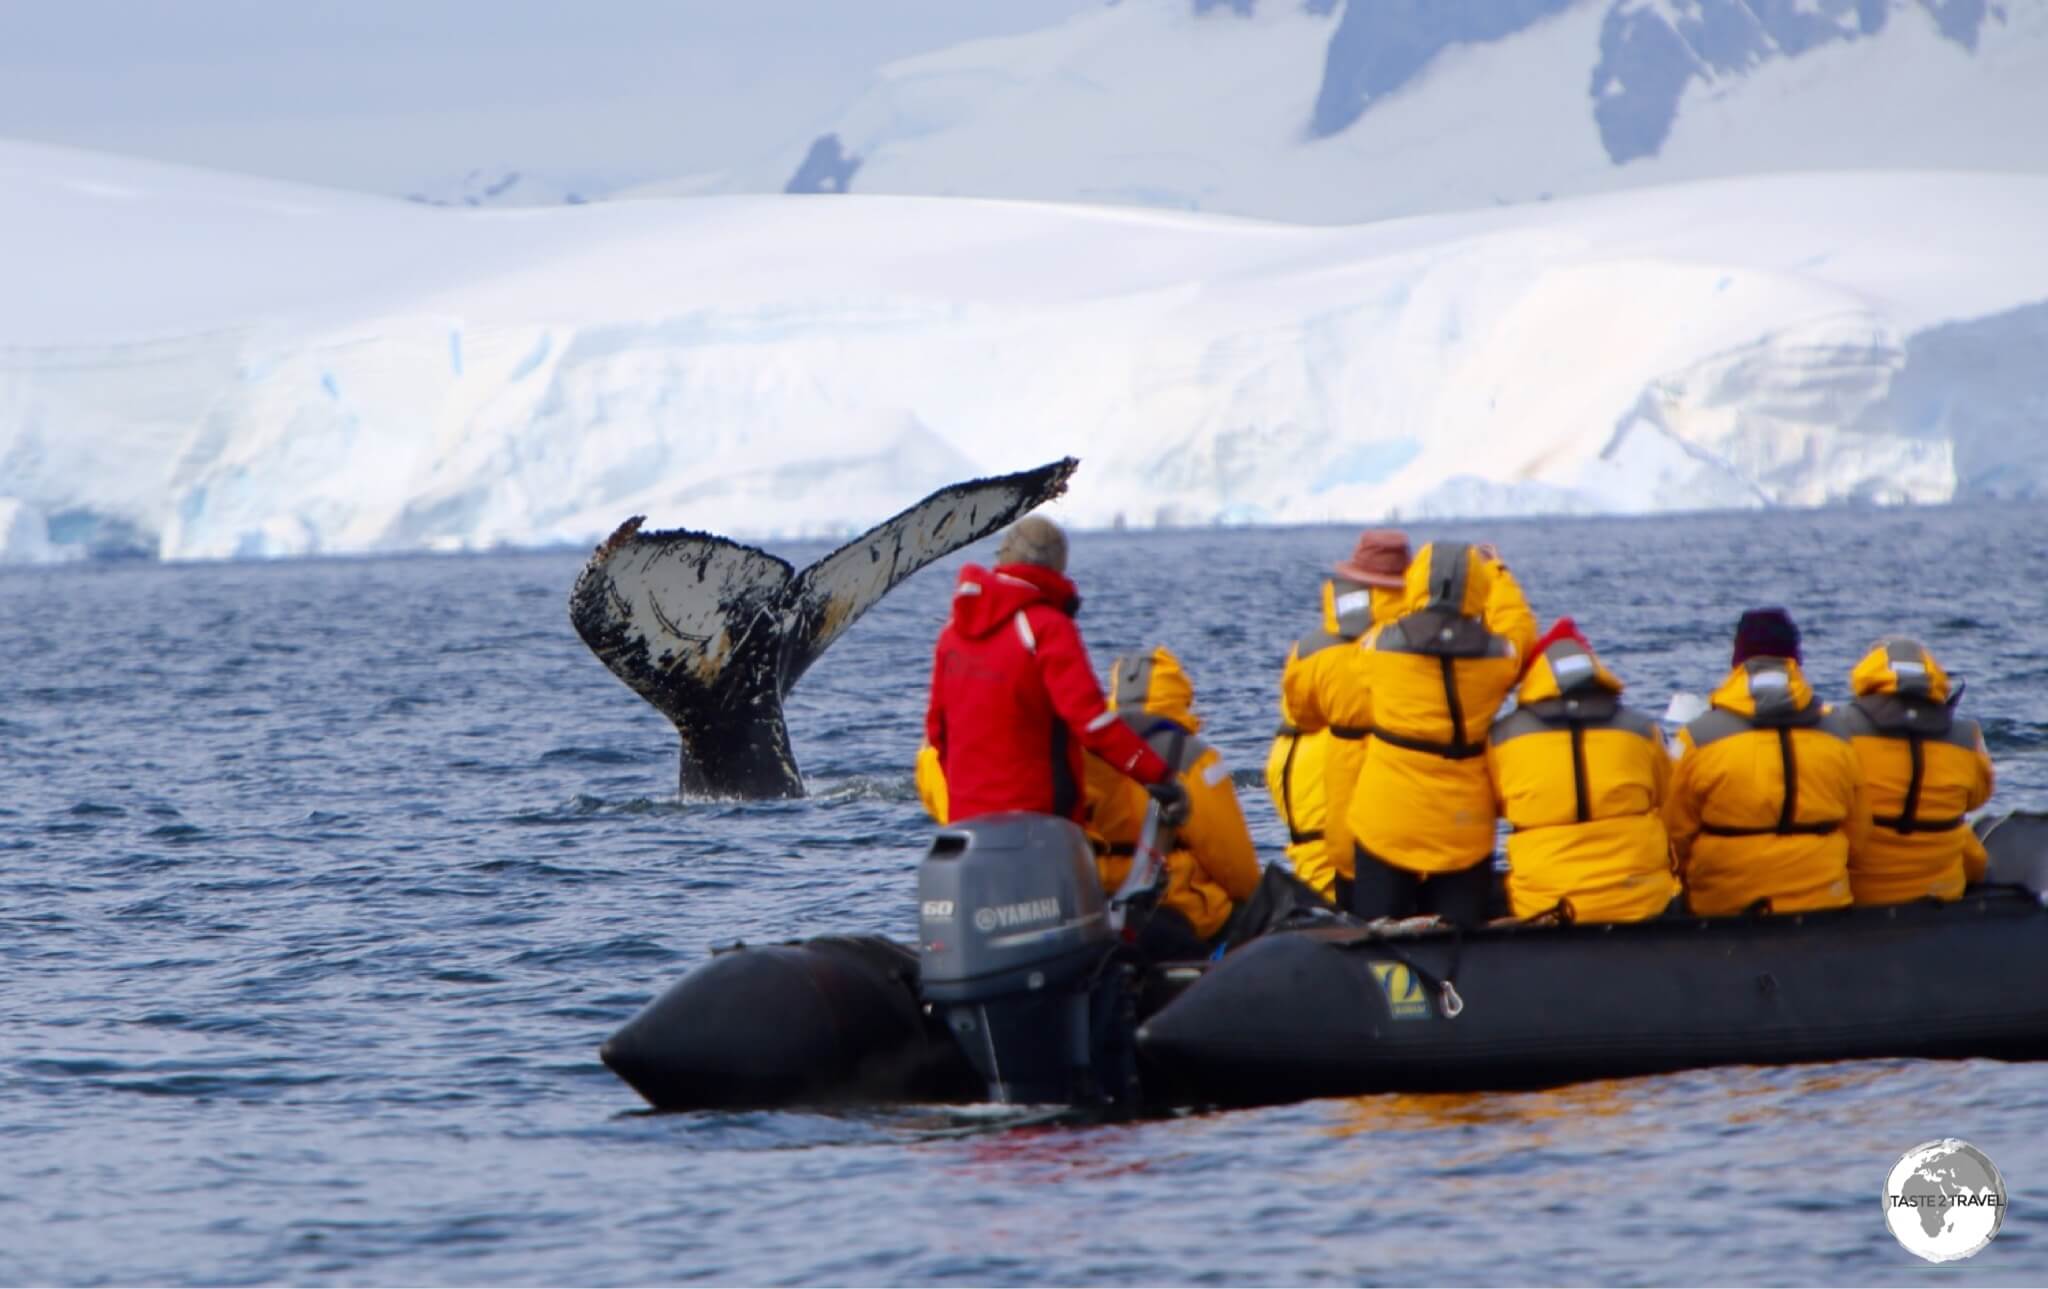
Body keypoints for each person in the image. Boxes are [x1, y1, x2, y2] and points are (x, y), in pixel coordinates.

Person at [923, 517, 1187, 826]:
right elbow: (1091, 724)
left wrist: (969, 798)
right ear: (1057, 565)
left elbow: (938, 731)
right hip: (1039, 822)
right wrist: (1159, 777)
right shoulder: (1046, 626)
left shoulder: (952, 632)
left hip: (967, 826)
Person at [1330, 540, 1538, 925]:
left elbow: (1358, 661)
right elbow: (1520, 626)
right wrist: (1499, 574)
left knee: (1380, 946)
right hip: (1464, 826)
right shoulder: (1499, 658)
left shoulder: (1377, 649)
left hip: (1387, 819)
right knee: (1461, 946)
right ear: (1478, 589)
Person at [1665, 608, 1870, 915]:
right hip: (1823, 900)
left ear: (1737, 662)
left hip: (1723, 905)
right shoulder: (1838, 733)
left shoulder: (1696, 738)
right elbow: (1858, 834)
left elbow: (1674, 836)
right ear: (1796, 660)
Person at [1486, 618, 1678, 921]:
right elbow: (1670, 799)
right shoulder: (1642, 730)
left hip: (1545, 904)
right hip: (1640, 900)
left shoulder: (1502, 738)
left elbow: (1489, 808)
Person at [1089, 648, 1261, 959]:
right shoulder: (1192, 756)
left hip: (1096, 901)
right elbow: (1233, 862)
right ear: (1179, 695)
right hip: (1173, 901)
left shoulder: (1085, 752)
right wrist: (1259, 901)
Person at [1268, 530, 1409, 904]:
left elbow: (1300, 708)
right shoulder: (1419, 642)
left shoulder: (1311, 649)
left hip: (1330, 797)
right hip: (1403, 807)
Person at [1836, 636, 1995, 904]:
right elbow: (1978, 797)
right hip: (1943, 889)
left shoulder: (1838, 728)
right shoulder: (1967, 737)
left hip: (1861, 892)